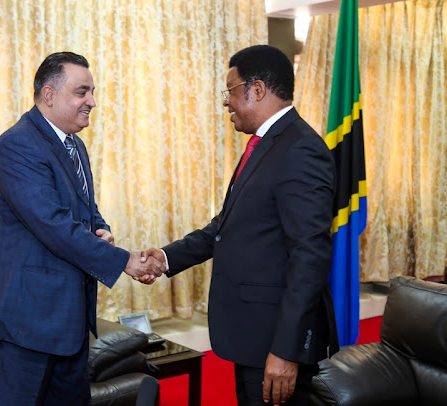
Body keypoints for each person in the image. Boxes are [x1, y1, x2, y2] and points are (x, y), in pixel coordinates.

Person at [141, 45, 338, 406]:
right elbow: (227, 226)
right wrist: (166, 258)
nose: (226, 102)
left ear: (257, 90)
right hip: (253, 335)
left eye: (230, 90)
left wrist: (286, 350)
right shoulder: (265, 145)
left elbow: (310, 256)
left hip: (274, 341)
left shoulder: (300, 149)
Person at [0, 52, 164, 405]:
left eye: (92, 92)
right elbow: (53, 225)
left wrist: (102, 231)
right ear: (49, 95)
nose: (92, 101)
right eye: (82, 92)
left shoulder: (75, 145)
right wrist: (123, 260)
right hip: (26, 325)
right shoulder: (18, 145)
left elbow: (86, 211)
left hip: (71, 322)